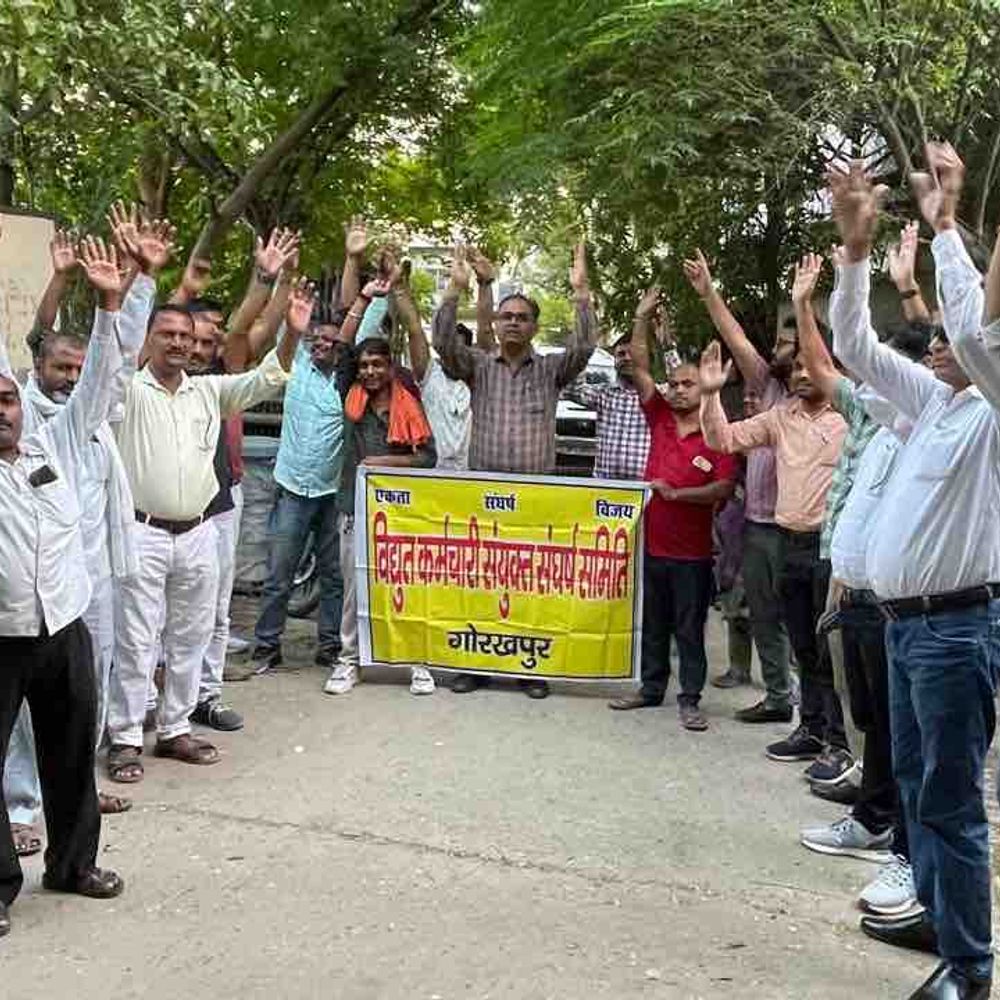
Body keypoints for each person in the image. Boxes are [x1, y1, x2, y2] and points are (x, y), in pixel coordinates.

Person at [827, 148, 998, 1000]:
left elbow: (972, 330)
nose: (939, 345)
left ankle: (971, 968)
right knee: (924, 798)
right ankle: (939, 915)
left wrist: (944, 229)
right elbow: (852, 343)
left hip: (957, 630)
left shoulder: (996, 410)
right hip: (906, 629)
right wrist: (855, 253)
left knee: (953, 803)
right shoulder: (937, 403)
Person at [104, 257, 307, 784]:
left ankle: (174, 730)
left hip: (197, 533)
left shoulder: (208, 391)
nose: (177, 343)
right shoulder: (125, 389)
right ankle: (125, 738)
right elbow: (113, 348)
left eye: (185, 336)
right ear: (148, 339)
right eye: (166, 333)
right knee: (136, 640)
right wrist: (140, 278)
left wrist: (291, 335)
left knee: (190, 637)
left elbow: (267, 379)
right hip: (140, 533)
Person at [0, 234, 129, 938]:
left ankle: (74, 865)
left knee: (73, 753)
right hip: (2, 638)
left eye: (8, 401)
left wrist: (110, 306)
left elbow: (99, 383)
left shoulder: (55, 442)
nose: (3, 409)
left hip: (64, 628)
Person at [788, 252, 929, 876]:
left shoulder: (927, 431)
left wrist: (910, 288)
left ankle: (894, 832)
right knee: (874, 719)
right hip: (858, 596)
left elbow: (968, 353)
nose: (868, 382)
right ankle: (875, 815)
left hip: (904, 606)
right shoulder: (873, 428)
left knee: (903, 732)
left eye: (886, 372)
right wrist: (840, 584)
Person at [434, 243, 598, 698]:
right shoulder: (478, 367)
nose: (512, 322)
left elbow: (585, 346)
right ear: (494, 323)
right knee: (480, 581)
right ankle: (474, 665)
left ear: (534, 327)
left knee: (530, 586)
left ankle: (531, 669)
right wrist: (455, 288)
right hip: (481, 497)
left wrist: (581, 291)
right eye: (506, 316)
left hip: (533, 501)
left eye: (521, 317)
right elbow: (444, 345)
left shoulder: (550, 371)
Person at [698, 341, 848, 766]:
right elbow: (723, 439)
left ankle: (839, 743)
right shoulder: (782, 417)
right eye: (796, 368)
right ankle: (811, 729)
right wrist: (710, 394)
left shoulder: (853, 418)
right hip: (790, 543)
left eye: (812, 366)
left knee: (830, 652)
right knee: (802, 645)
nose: (801, 375)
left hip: (834, 551)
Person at [608, 288, 736, 730]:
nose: (678, 390)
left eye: (688, 384)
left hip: (694, 554)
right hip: (652, 544)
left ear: (705, 389)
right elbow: (641, 368)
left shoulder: (717, 432)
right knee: (653, 622)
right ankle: (650, 688)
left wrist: (679, 496)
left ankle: (691, 698)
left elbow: (723, 485)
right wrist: (641, 317)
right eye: (675, 384)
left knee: (689, 628)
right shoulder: (659, 416)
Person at [682, 251, 793, 719]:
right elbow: (738, 340)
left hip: (799, 530)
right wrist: (709, 293)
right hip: (756, 525)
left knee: (799, 622)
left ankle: (815, 712)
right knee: (761, 614)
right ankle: (779, 698)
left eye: (793, 341)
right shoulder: (768, 385)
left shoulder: (829, 396)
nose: (783, 348)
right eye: (784, 341)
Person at [322, 326, 438, 696]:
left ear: (391, 368)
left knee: (406, 587)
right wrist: (363, 299)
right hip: (354, 506)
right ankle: (349, 661)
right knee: (355, 589)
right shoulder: (351, 400)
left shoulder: (410, 406)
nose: (369, 372)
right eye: (364, 366)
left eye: (377, 365)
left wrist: (384, 463)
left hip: (402, 514)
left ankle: (417, 663)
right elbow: (341, 353)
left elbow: (428, 458)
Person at [564, 330, 650, 480]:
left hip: (645, 488)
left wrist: (669, 347)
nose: (627, 358)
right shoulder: (604, 394)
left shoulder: (659, 396)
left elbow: (686, 385)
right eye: (621, 354)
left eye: (633, 353)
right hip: (604, 488)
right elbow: (572, 389)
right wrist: (582, 353)